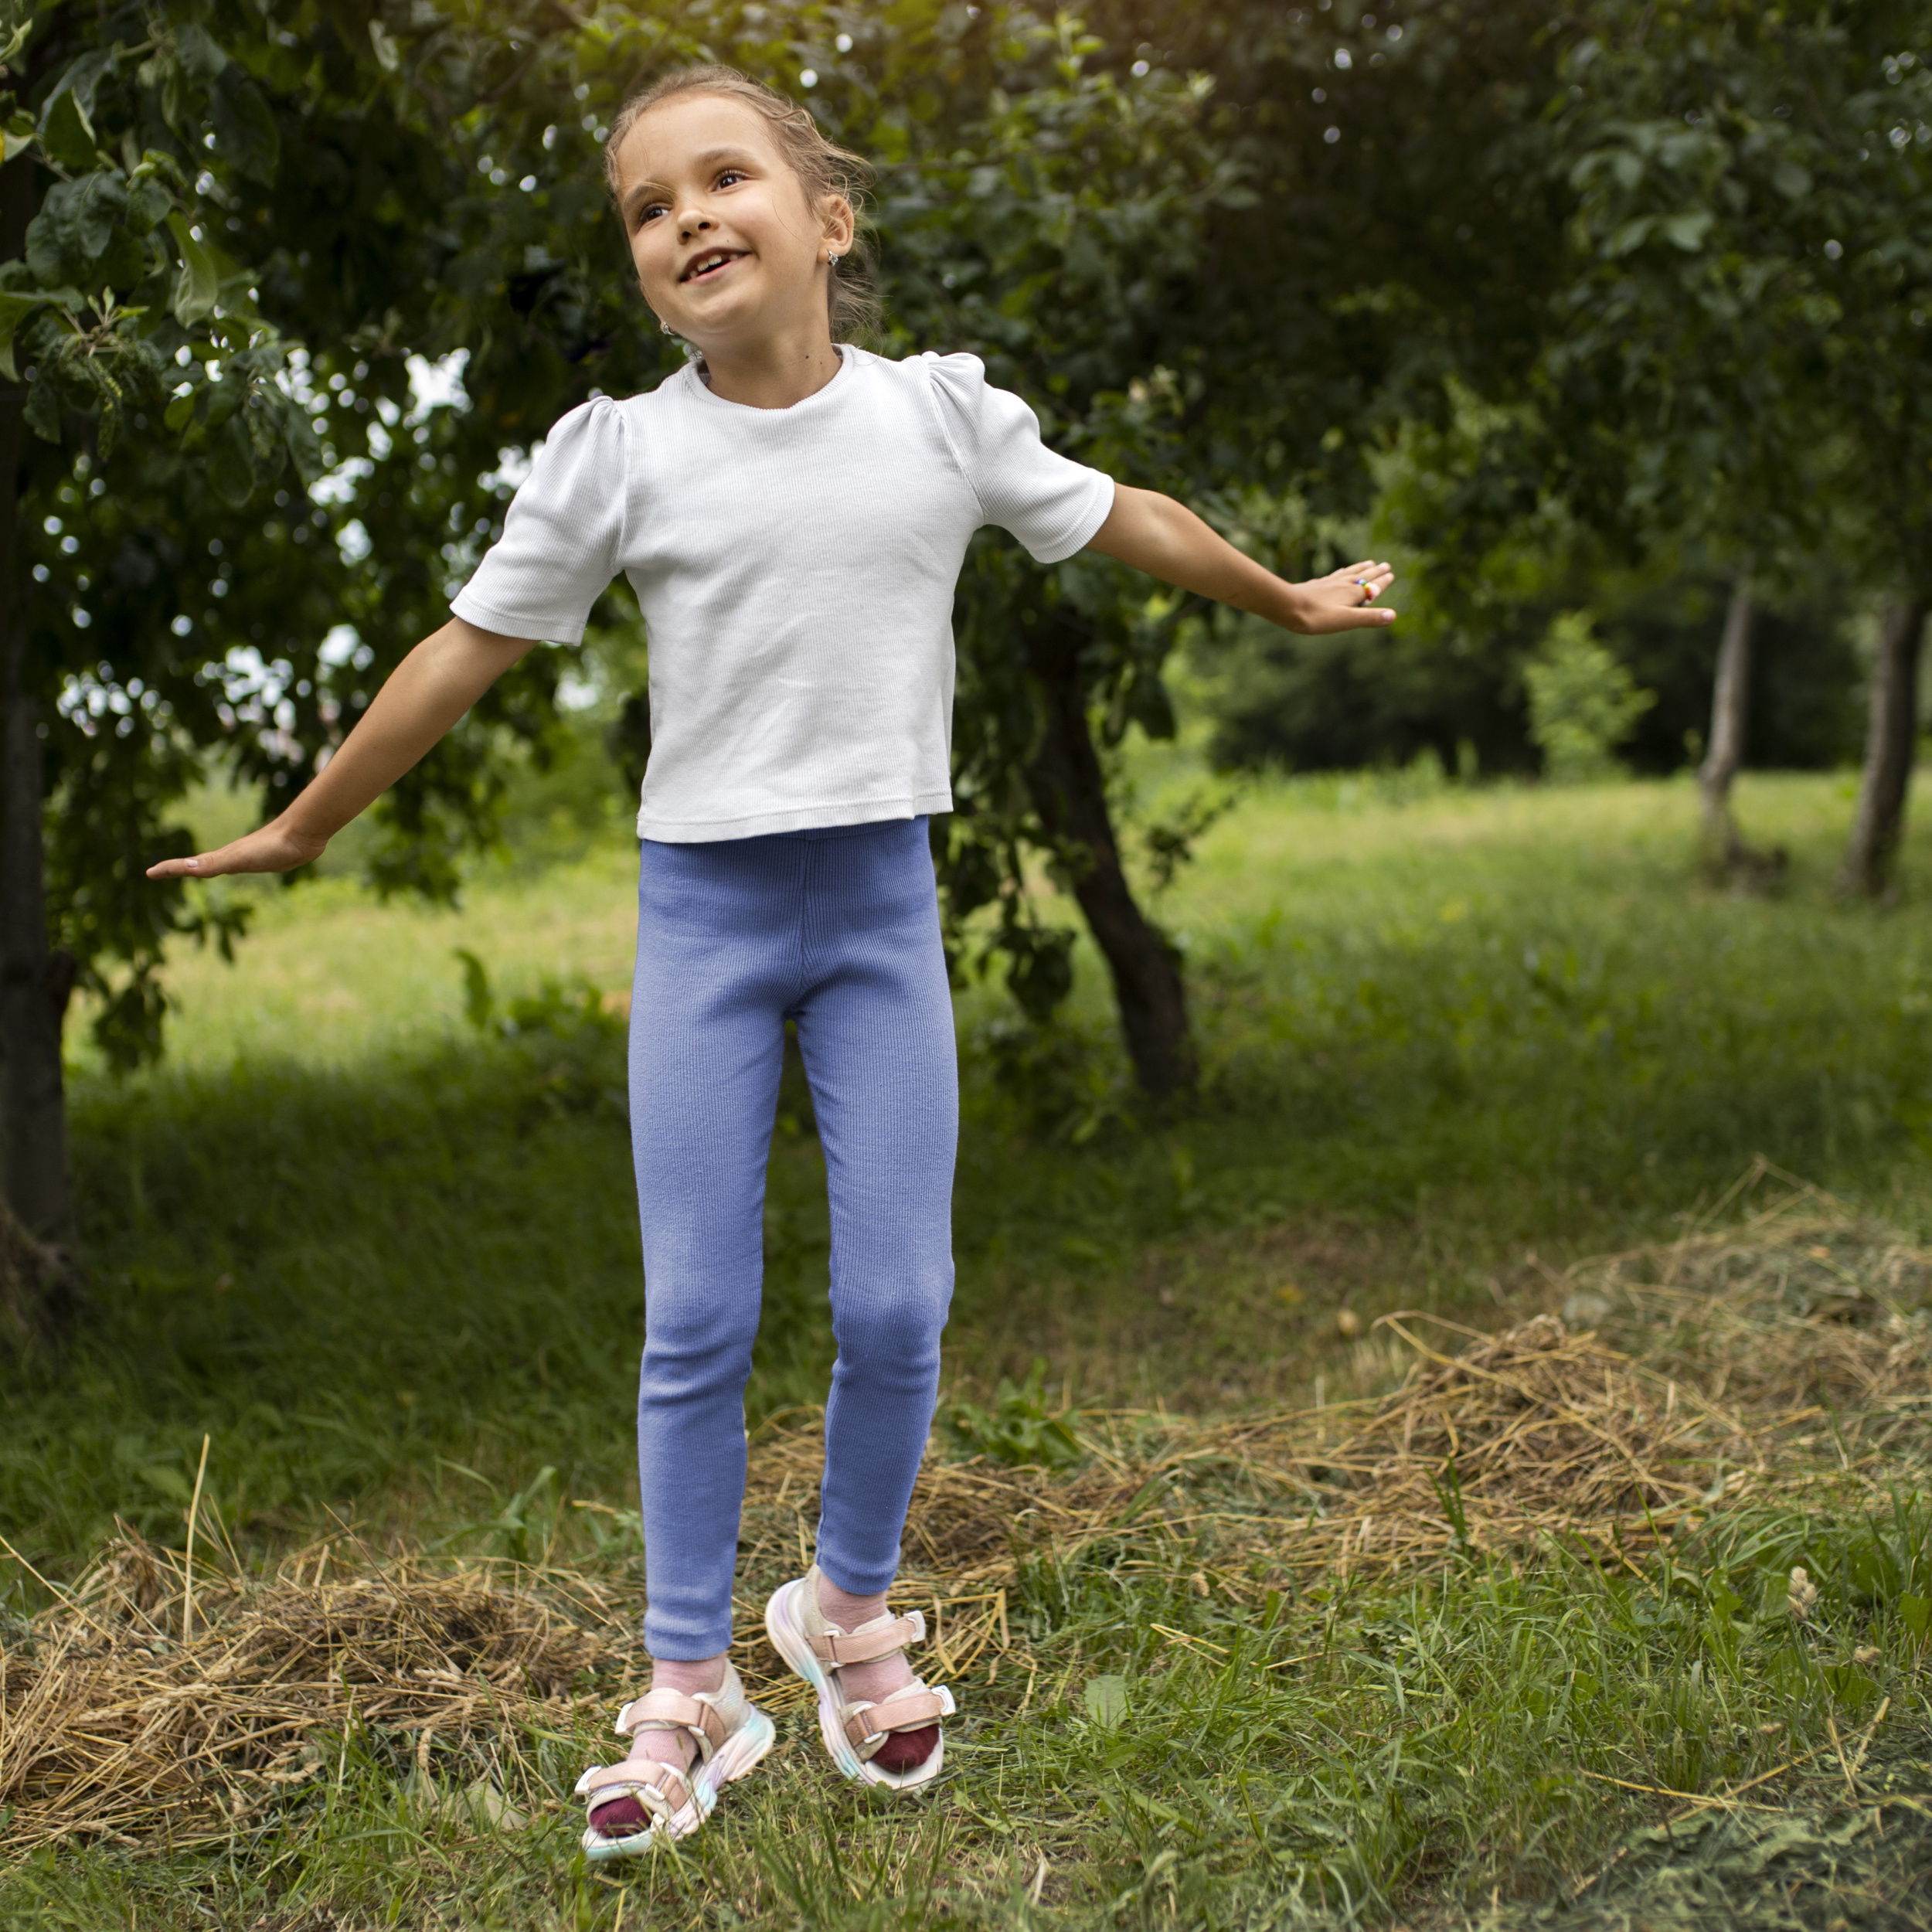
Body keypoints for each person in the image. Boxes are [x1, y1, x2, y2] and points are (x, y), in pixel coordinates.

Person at [148, 64, 1397, 1856]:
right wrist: (307, 820)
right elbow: (463, 647)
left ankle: (843, 1608)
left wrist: (1279, 592)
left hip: (878, 909)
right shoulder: (625, 453)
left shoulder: (940, 420)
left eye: (721, 178)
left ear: (827, 221)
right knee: (696, 1317)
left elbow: (1119, 511)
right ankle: (684, 1684)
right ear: (645, 269)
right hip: (708, 926)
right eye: (648, 211)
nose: (684, 221)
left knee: (898, 1302)